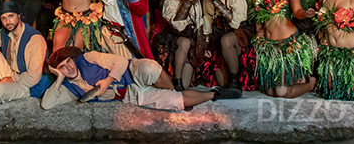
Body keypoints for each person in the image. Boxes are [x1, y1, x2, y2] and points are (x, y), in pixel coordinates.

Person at [41, 46, 241, 111]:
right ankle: (215, 94)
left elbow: (120, 61)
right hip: (130, 94)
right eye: (62, 67)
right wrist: (58, 79)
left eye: (68, 61)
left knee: (150, 67)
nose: (68, 67)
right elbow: (46, 104)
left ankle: (173, 91)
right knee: (177, 101)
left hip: (130, 71)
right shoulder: (68, 88)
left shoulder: (88, 57)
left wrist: (107, 81)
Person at [0, 1, 51, 104]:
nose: (8, 21)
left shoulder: (34, 39)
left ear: (18, 16)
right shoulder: (5, 33)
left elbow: (33, 78)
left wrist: (11, 79)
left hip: (29, 85)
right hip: (11, 74)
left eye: (11, 16)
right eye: (3, 18)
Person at [150, 0, 208, 91]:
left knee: (186, 85)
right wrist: (187, 1)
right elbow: (178, 25)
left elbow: (199, 20)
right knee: (185, 43)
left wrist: (202, 45)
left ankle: (180, 81)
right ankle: (176, 79)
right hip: (174, 38)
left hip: (191, 39)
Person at [202, 0, 256, 92]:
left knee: (226, 40)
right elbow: (207, 16)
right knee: (221, 82)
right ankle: (229, 79)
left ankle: (235, 82)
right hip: (217, 35)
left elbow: (235, 23)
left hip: (236, 36)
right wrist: (206, 40)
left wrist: (218, 3)